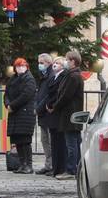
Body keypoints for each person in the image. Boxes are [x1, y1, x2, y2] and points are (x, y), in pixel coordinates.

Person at [49, 50, 85, 180]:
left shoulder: (73, 76)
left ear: (73, 61)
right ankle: (78, 168)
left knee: (71, 144)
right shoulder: (72, 75)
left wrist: (55, 106)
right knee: (75, 143)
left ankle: (71, 170)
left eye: (67, 59)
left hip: (70, 114)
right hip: (71, 114)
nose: (65, 62)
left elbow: (66, 96)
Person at [5, 58, 37, 174]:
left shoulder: (29, 79)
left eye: (23, 66)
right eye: (18, 66)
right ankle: (22, 164)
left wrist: (12, 105)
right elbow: (7, 94)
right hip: (14, 113)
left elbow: (26, 95)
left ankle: (29, 165)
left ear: (27, 67)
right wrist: (7, 104)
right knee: (17, 140)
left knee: (25, 140)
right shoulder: (12, 79)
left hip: (25, 113)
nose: (20, 68)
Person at [45, 56, 68, 177]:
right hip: (51, 111)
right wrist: (47, 104)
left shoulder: (63, 76)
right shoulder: (53, 77)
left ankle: (60, 168)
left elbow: (58, 94)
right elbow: (48, 93)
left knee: (60, 142)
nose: (54, 65)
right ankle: (55, 168)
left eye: (57, 63)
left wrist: (52, 105)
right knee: (54, 141)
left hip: (57, 112)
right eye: (54, 63)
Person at [34, 53, 55, 175]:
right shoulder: (43, 75)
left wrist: (38, 108)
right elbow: (39, 94)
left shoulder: (51, 75)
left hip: (47, 112)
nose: (39, 65)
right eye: (39, 63)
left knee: (50, 141)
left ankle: (52, 165)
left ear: (48, 63)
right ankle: (48, 164)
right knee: (44, 140)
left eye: (41, 63)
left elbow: (48, 96)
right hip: (42, 113)